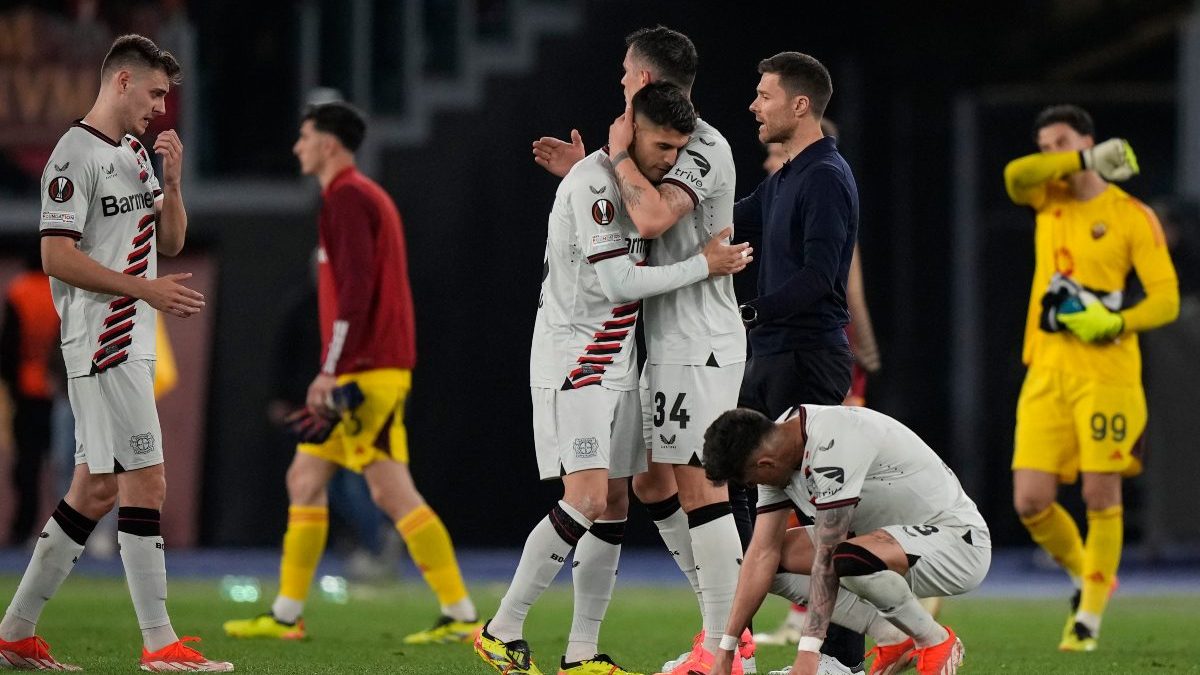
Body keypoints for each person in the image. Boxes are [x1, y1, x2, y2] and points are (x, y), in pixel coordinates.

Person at [476, 82, 750, 675]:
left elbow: (640, 220)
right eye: (661, 146)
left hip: (617, 359)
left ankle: (581, 653)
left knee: (616, 502)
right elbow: (619, 285)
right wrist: (703, 265)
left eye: (679, 150)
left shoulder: (615, 182)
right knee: (588, 497)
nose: (670, 160)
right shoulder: (596, 186)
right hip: (576, 362)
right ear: (629, 129)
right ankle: (501, 627)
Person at [0, 34, 230, 672]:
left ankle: (15, 632)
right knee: (146, 482)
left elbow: (173, 241)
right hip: (103, 340)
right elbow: (56, 255)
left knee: (95, 489)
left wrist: (174, 183)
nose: (161, 106)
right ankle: (161, 644)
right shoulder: (74, 155)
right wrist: (142, 289)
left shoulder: (133, 153)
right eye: (155, 92)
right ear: (122, 81)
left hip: (131, 337)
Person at [223, 101, 480, 645]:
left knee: (391, 492)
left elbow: (356, 294)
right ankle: (287, 615)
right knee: (308, 478)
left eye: (305, 135)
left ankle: (461, 616)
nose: (297, 146)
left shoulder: (348, 198)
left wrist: (330, 371)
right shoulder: (355, 198)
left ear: (330, 145)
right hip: (370, 371)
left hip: (364, 376)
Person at [1003, 105, 1179, 651]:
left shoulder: (1131, 215)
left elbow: (1167, 300)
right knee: (1030, 501)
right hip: (1047, 370)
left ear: (1089, 139)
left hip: (1107, 373)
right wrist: (1074, 159)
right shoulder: (1045, 197)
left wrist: (1117, 319)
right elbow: (1015, 176)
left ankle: (1089, 621)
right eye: (1045, 146)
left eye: (1061, 143)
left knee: (1102, 494)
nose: (1050, 155)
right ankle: (1086, 575)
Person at [728, 53, 864, 669]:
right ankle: (741, 639)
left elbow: (819, 277)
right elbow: (726, 224)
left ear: (800, 105)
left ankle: (842, 648)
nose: (755, 106)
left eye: (764, 95)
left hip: (807, 357)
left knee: (811, 512)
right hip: (774, 354)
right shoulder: (785, 176)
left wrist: (749, 313)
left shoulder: (826, 177)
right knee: (749, 498)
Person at [703, 406, 990, 675]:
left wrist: (808, 652)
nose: (753, 487)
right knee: (773, 562)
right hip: (883, 545)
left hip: (957, 545)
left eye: (749, 480)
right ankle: (894, 635)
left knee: (843, 558)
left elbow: (828, 555)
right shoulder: (778, 446)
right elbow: (761, 554)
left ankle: (933, 639)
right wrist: (726, 648)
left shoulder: (832, 442)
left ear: (763, 463)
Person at [0, 251, 60, 547]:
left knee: (26, 463)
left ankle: (22, 529)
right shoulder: (60, 289)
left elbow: (8, 345)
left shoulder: (19, 290)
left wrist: (10, 385)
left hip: (25, 388)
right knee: (65, 462)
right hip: (60, 388)